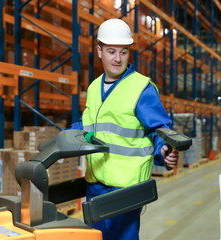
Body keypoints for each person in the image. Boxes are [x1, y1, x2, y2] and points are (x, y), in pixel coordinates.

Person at [68, 18, 179, 240]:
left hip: (126, 189)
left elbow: (159, 128)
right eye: (111, 51)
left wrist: (164, 150)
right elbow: (89, 124)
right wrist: (66, 137)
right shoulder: (93, 87)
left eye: (124, 52)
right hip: (95, 185)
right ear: (99, 51)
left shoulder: (141, 88)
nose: (117, 59)